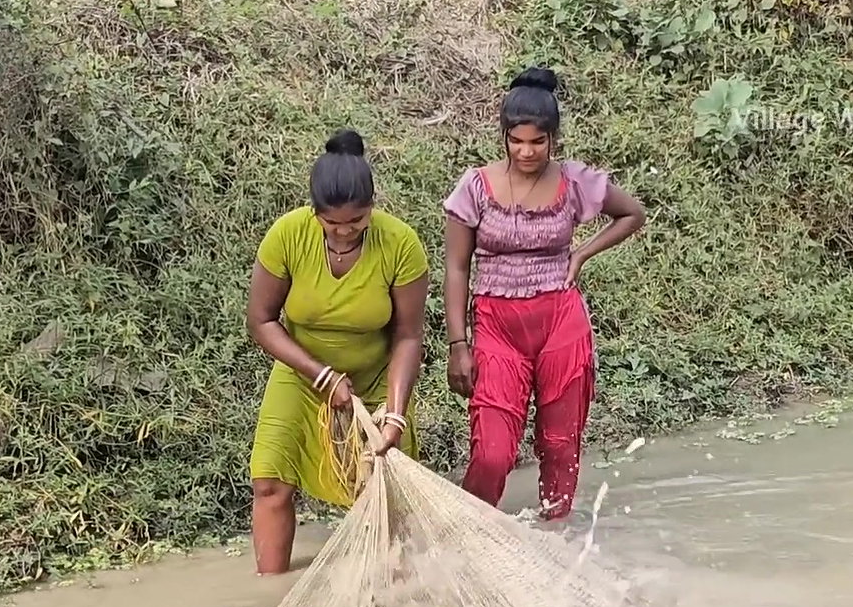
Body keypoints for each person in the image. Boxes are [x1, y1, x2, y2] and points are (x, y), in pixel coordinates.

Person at [441, 66, 647, 528]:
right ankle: (465, 537)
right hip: (495, 324)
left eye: (538, 141)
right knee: (493, 453)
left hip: (560, 322)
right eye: (517, 141)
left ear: (553, 138)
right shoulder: (474, 188)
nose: (527, 151)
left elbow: (632, 213)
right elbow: (456, 268)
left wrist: (581, 255)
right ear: (504, 136)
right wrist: (459, 344)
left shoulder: (574, 182)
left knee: (559, 445)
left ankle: (556, 537)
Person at [246, 129, 430, 575]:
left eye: (358, 222)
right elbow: (261, 321)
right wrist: (321, 376)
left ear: (372, 209)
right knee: (270, 482)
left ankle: (389, 593)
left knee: (382, 493)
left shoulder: (400, 244)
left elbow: (408, 336)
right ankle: (272, 590)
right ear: (315, 213)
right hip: (302, 374)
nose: (346, 232)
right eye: (333, 224)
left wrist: (395, 413)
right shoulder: (288, 236)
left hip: (373, 381)